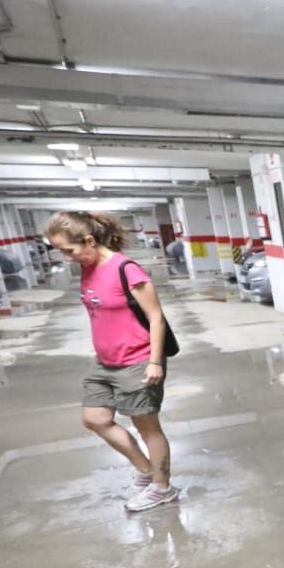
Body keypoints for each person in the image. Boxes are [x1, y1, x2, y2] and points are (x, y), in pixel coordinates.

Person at [46, 210, 178, 512]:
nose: (67, 257)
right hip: (105, 361)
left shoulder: (126, 269)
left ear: (89, 240)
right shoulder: (87, 267)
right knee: (95, 419)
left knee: (147, 427)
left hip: (137, 359)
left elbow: (156, 318)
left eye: (70, 250)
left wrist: (155, 362)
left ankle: (162, 487)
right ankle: (146, 471)